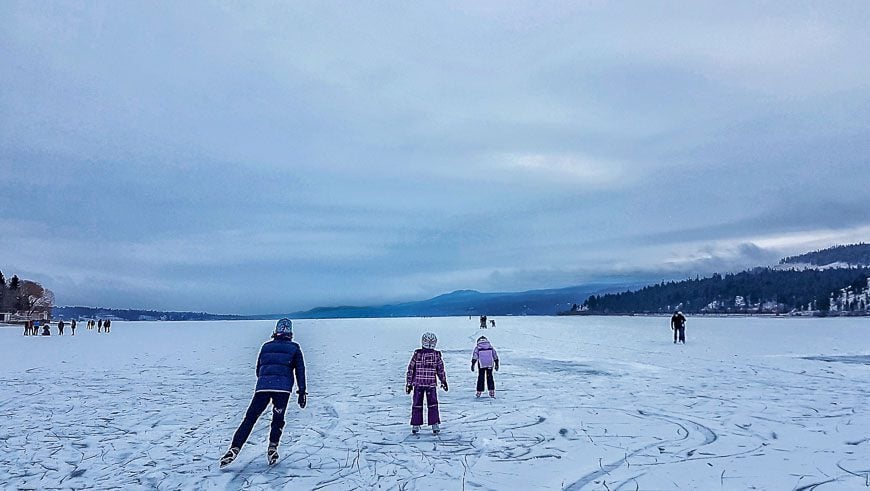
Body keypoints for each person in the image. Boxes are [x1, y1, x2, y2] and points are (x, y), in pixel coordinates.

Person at [221, 318, 307, 468]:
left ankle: (235, 447)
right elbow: (300, 371)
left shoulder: (266, 347)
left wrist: (265, 380)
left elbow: (258, 368)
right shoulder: (294, 348)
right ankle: (272, 447)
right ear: (290, 333)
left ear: (276, 332)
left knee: (250, 418)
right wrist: (302, 392)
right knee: (278, 419)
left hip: (263, 388)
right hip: (282, 390)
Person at [406, 332, 448, 435]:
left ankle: (416, 424)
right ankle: (434, 424)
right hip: (431, 385)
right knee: (432, 404)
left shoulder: (417, 354)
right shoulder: (436, 355)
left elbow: (411, 369)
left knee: (417, 404)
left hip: (418, 384)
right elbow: (440, 370)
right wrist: (443, 380)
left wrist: (409, 383)